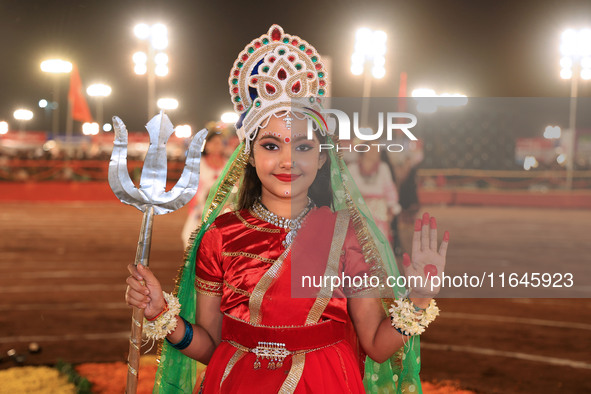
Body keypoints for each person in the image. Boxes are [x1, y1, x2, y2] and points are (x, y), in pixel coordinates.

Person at [125, 25, 449, 394]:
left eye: (304, 147)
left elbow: (376, 344)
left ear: (323, 158)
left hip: (325, 382)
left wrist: (419, 300)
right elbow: (211, 346)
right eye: (271, 145)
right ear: (249, 154)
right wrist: (161, 315)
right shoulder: (220, 235)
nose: (288, 160)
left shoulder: (345, 234)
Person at [181, 130, 227, 248]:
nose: (217, 145)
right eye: (214, 142)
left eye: (220, 142)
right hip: (201, 209)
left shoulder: (228, 165)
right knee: (190, 237)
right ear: (207, 145)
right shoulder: (198, 164)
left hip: (223, 210)